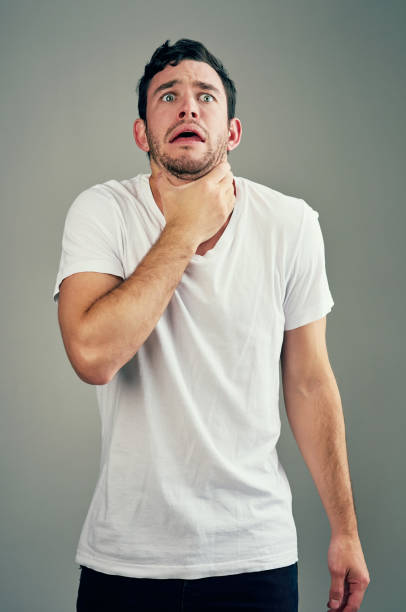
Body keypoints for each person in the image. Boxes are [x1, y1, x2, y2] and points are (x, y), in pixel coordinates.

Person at [53, 38, 370, 612]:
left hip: (255, 556)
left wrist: (345, 530)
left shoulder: (290, 224)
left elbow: (309, 383)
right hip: (127, 560)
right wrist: (184, 228)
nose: (188, 107)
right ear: (141, 133)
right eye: (167, 96)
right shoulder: (102, 211)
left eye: (206, 96)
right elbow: (93, 356)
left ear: (233, 132)